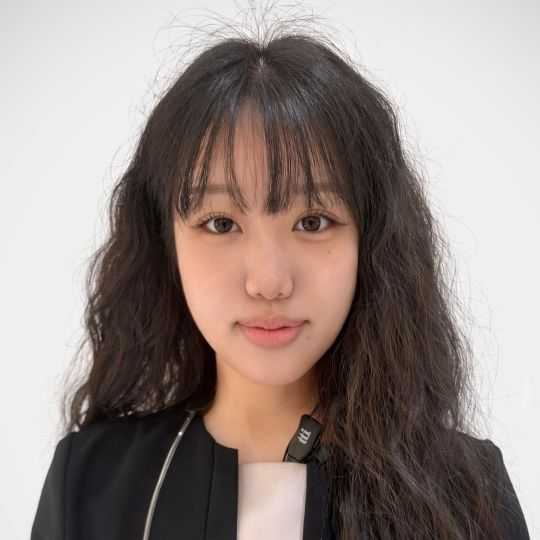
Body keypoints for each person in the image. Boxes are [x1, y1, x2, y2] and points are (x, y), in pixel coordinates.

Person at [31, 16, 530, 540]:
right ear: (165, 243)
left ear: (372, 243)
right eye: (220, 223)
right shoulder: (91, 482)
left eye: (312, 222)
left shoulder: (465, 494)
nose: (269, 281)